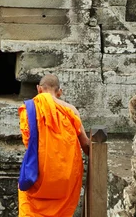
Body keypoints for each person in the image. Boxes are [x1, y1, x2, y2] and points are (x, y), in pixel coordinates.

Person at [18, 74, 90, 217]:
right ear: (60, 92)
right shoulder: (71, 110)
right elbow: (85, 144)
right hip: (66, 177)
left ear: (39, 89)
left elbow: (28, 142)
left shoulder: (31, 108)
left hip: (38, 174)